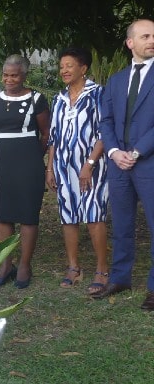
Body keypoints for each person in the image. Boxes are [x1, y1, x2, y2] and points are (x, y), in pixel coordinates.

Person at [96, 19, 154, 308]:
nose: (151, 40)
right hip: (118, 164)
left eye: (153, 36)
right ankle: (120, 277)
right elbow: (105, 120)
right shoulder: (116, 80)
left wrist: (138, 151)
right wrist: (114, 151)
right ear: (130, 43)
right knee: (121, 224)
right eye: (145, 36)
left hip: (149, 162)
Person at [0, 55, 50, 289]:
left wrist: (32, 153)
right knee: (3, 215)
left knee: (28, 214)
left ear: (24, 76)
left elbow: (46, 133)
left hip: (29, 163)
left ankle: (24, 265)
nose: (9, 79)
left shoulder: (37, 99)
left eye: (14, 75)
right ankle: (5, 264)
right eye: (6, 75)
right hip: (1, 162)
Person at [46, 47, 109, 293]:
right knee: (68, 216)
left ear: (83, 68)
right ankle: (74, 267)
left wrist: (89, 164)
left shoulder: (98, 94)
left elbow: (105, 133)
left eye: (69, 66)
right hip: (63, 166)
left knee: (94, 215)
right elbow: (54, 137)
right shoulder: (59, 98)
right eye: (62, 66)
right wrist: (50, 168)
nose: (64, 70)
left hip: (92, 167)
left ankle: (102, 270)